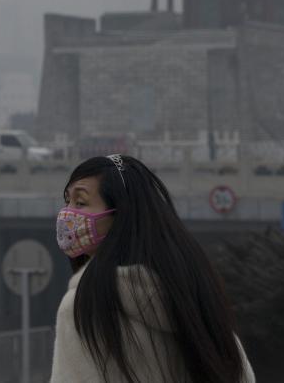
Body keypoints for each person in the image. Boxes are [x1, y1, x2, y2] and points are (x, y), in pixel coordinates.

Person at [49, 154, 255, 383]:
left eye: (81, 202)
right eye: (67, 201)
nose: (67, 213)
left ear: (121, 215)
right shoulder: (197, 301)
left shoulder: (83, 307)